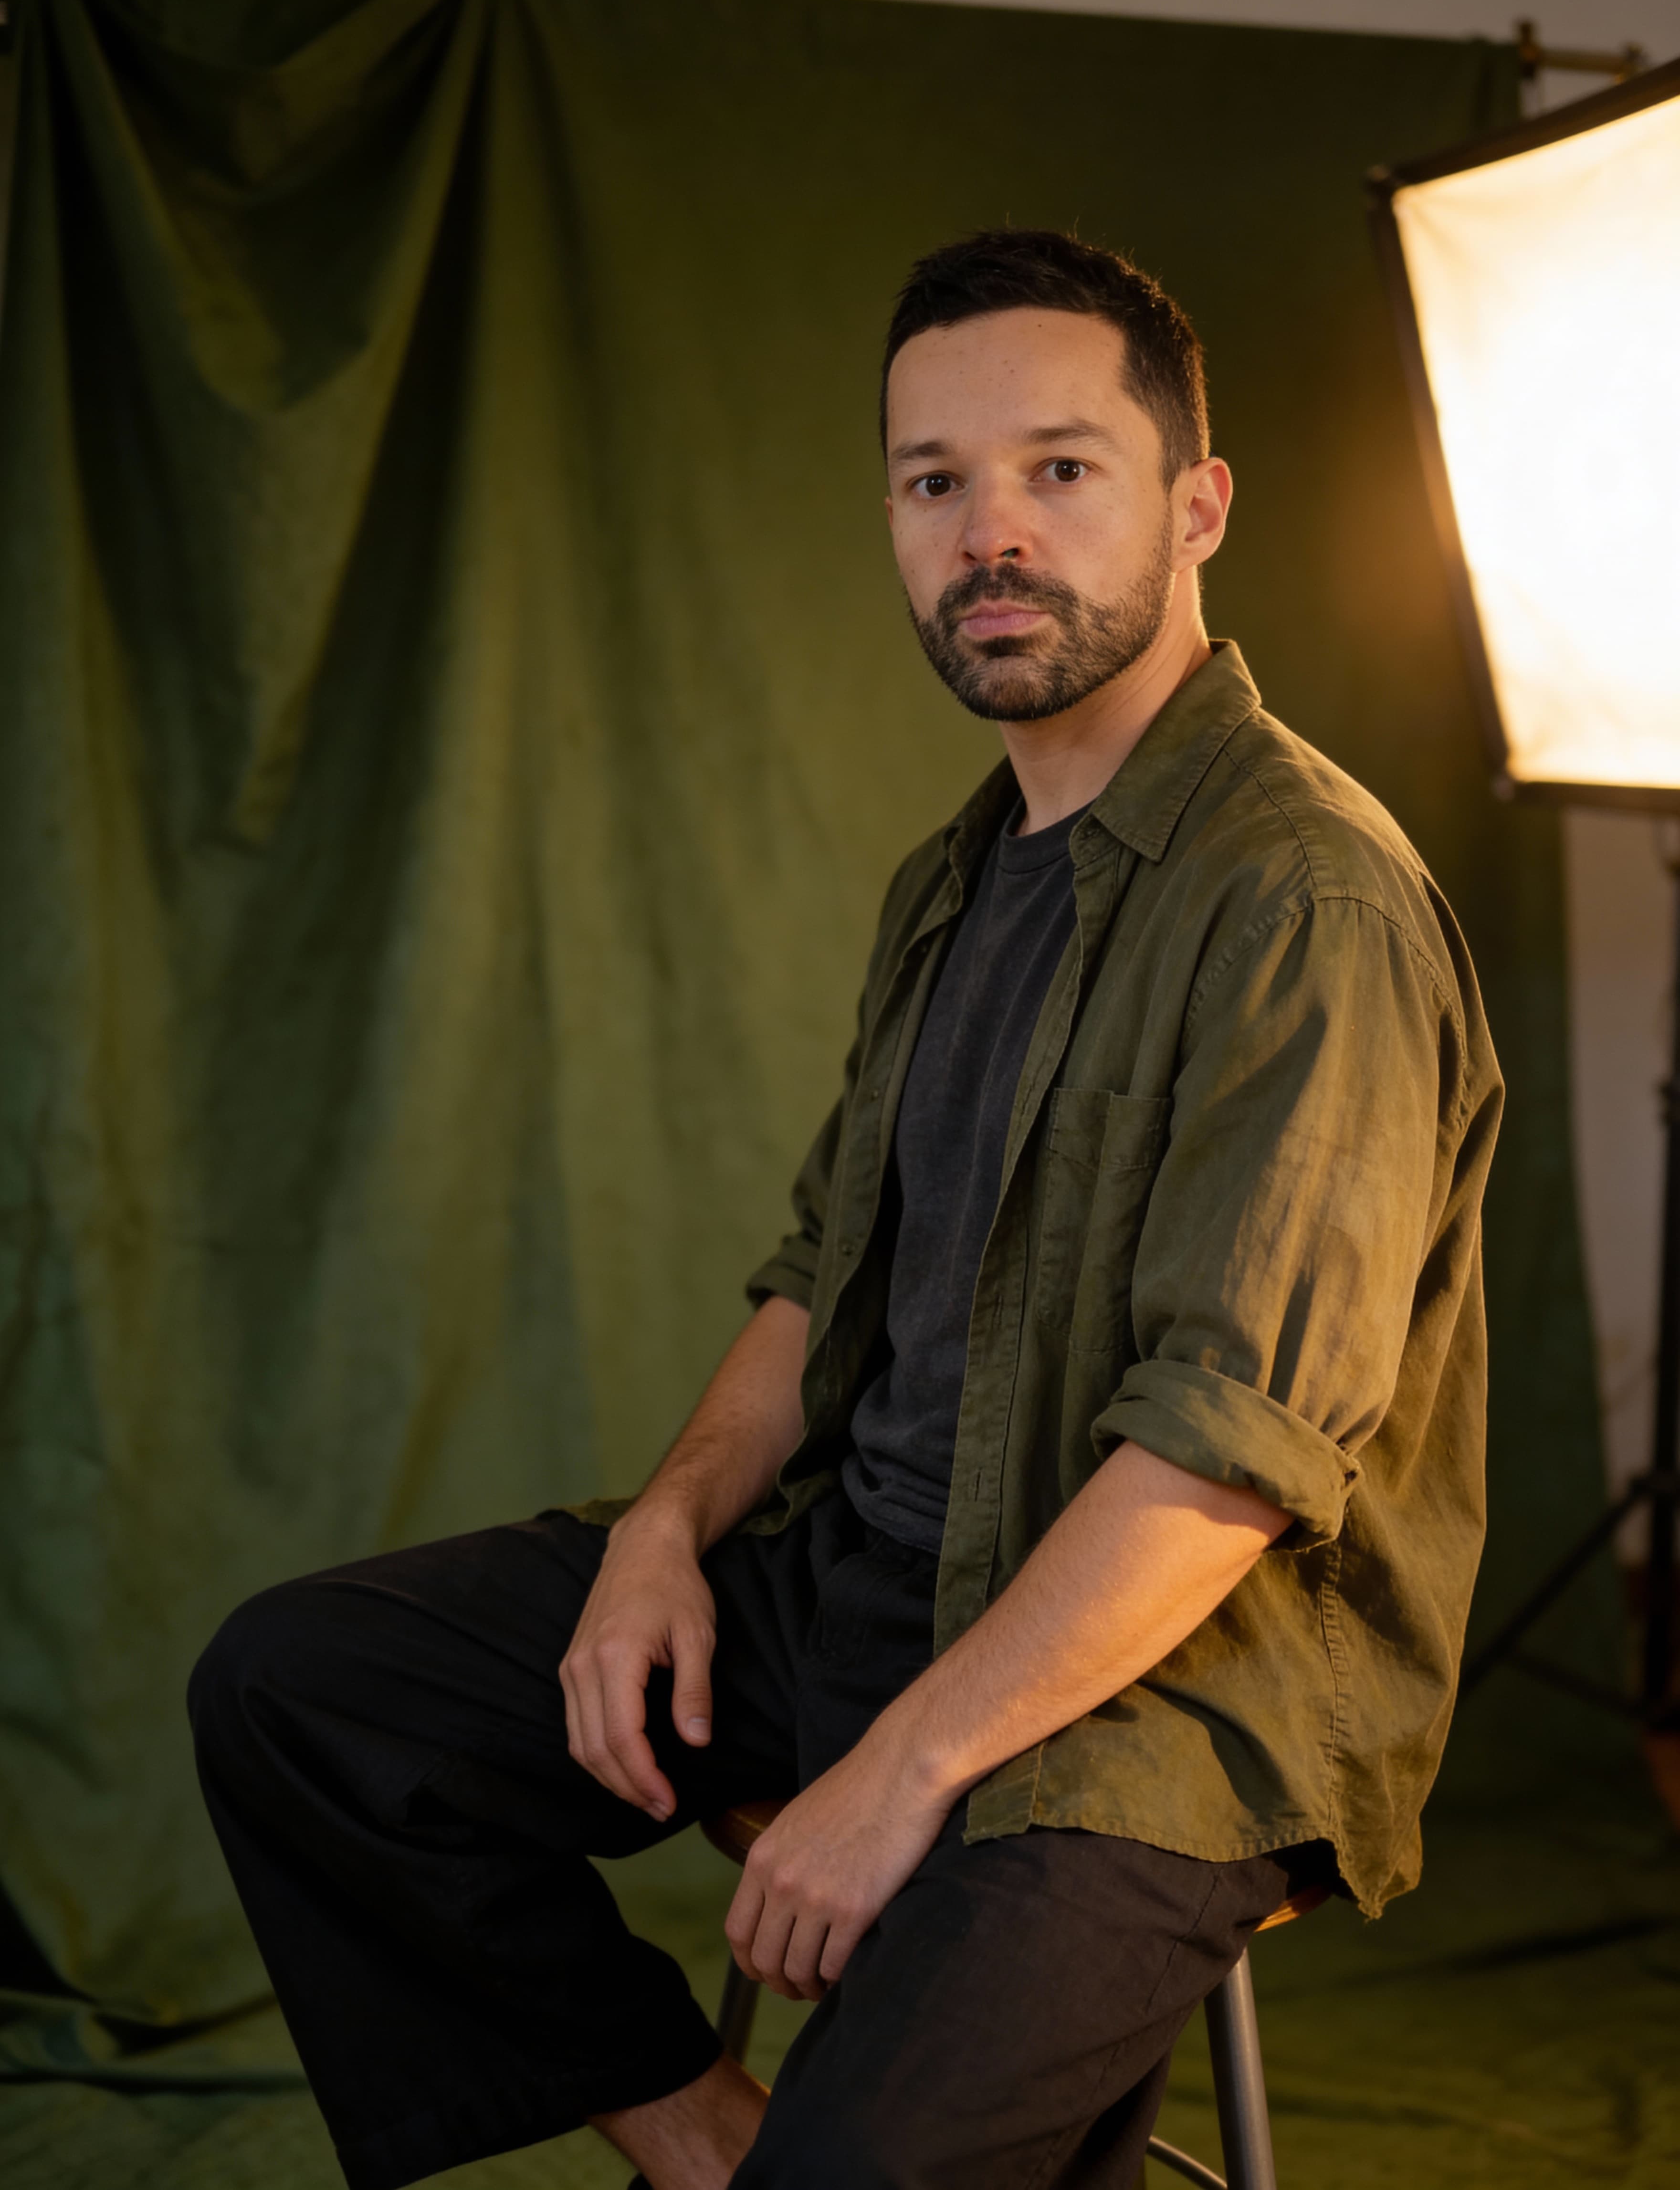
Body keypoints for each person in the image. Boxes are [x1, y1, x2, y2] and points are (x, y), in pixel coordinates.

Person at [189, 228, 1502, 2190]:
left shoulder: (1301, 897)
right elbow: (821, 1283)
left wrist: (900, 1773)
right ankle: (709, 2141)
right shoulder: (955, 876)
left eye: (1061, 469)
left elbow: (1228, 1455)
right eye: (933, 480)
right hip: (861, 1580)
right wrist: (660, 1528)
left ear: (1196, 504)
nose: (992, 532)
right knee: (298, 1695)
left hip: (1164, 1693)